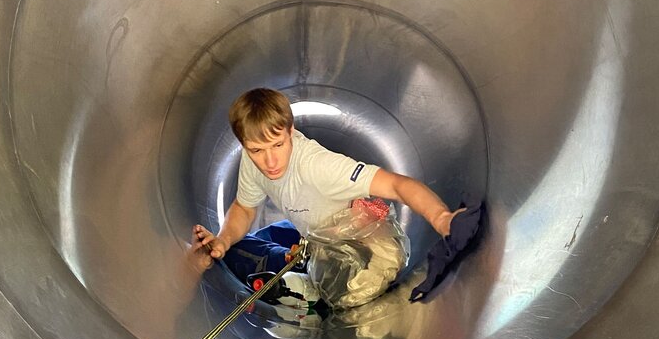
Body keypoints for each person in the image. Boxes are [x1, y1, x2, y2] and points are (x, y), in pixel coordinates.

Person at [190, 88, 465, 304]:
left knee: (346, 295)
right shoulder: (253, 161)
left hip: (363, 240)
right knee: (234, 252)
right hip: (315, 230)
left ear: (291, 130)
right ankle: (288, 256)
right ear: (244, 145)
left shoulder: (317, 166)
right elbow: (245, 208)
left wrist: (442, 218)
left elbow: (396, 185)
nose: (270, 161)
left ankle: (296, 277)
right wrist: (223, 241)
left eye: (278, 144)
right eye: (256, 150)